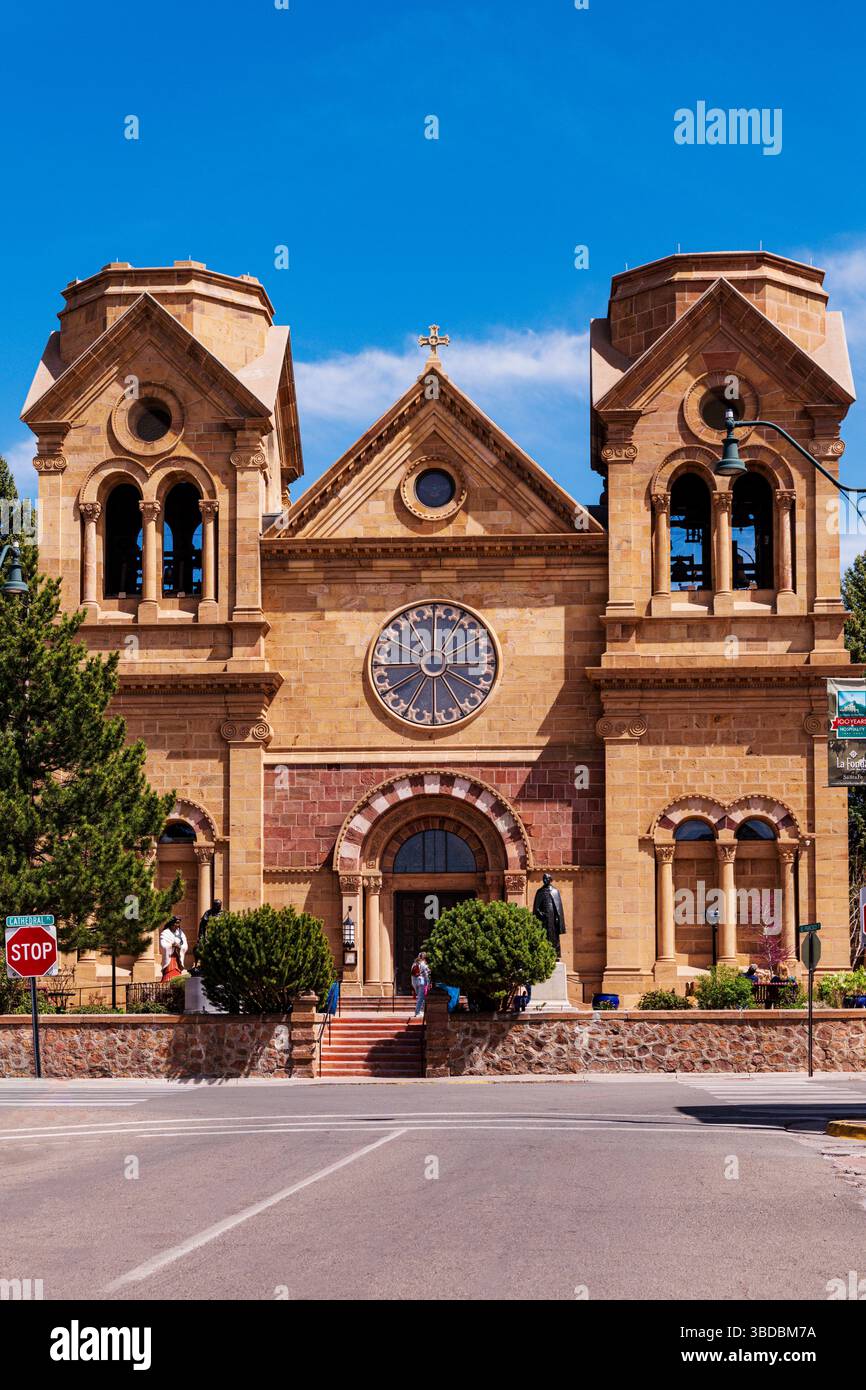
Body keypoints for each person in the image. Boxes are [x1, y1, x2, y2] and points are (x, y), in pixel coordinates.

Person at [159, 916, 188, 980]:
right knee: (169, 973)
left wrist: (180, 947)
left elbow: (185, 945)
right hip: (169, 957)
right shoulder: (165, 933)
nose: (177, 925)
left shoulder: (181, 933)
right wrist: (172, 945)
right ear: (171, 923)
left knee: (177, 972)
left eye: (178, 923)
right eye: (176, 923)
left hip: (178, 957)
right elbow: (163, 945)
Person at [411, 951, 431, 1018]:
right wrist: (428, 983)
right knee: (421, 998)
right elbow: (426, 974)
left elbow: (412, 974)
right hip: (422, 982)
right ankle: (418, 1012)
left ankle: (419, 1011)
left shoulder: (414, 964)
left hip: (415, 982)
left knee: (420, 997)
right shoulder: (423, 964)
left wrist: (413, 984)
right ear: (424, 958)